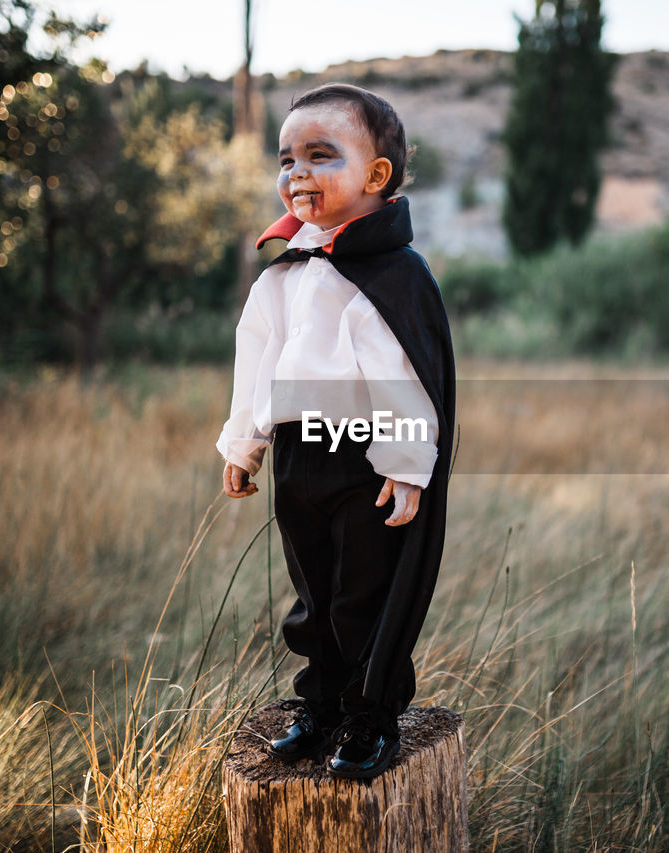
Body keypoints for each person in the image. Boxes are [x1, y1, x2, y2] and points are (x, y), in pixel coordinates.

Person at [217, 83, 454, 780]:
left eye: (320, 156)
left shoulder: (394, 276)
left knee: (363, 591)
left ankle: (369, 714)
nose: (296, 174)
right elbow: (255, 367)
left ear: (376, 176)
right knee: (313, 591)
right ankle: (318, 702)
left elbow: (403, 376)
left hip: (363, 457)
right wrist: (243, 444)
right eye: (287, 159)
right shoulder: (281, 278)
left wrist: (407, 465)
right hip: (297, 456)